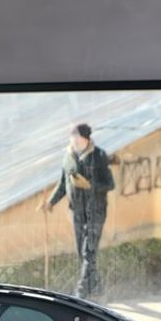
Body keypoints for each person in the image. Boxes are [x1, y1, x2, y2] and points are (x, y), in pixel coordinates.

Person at [43, 123, 115, 298]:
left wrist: (90, 186)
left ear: (86, 138)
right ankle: (95, 287)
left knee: (88, 251)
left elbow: (110, 184)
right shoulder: (68, 157)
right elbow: (63, 183)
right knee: (81, 253)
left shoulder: (98, 155)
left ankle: (81, 291)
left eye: (76, 136)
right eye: (72, 136)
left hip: (95, 211)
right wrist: (51, 201)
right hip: (76, 211)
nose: (73, 140)